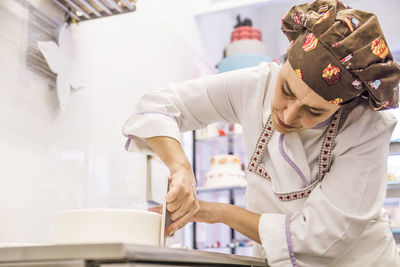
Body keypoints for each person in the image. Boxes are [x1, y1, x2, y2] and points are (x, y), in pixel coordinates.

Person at [122, 0, 400, 266]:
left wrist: (217, 212)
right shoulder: (256, 84)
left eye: (313, 111)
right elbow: (158, 105)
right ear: (283, 63)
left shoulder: (366, 127)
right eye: (285, 90)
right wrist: (180, 167)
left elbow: (318, 241)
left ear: (343, 105)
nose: (288, 115)